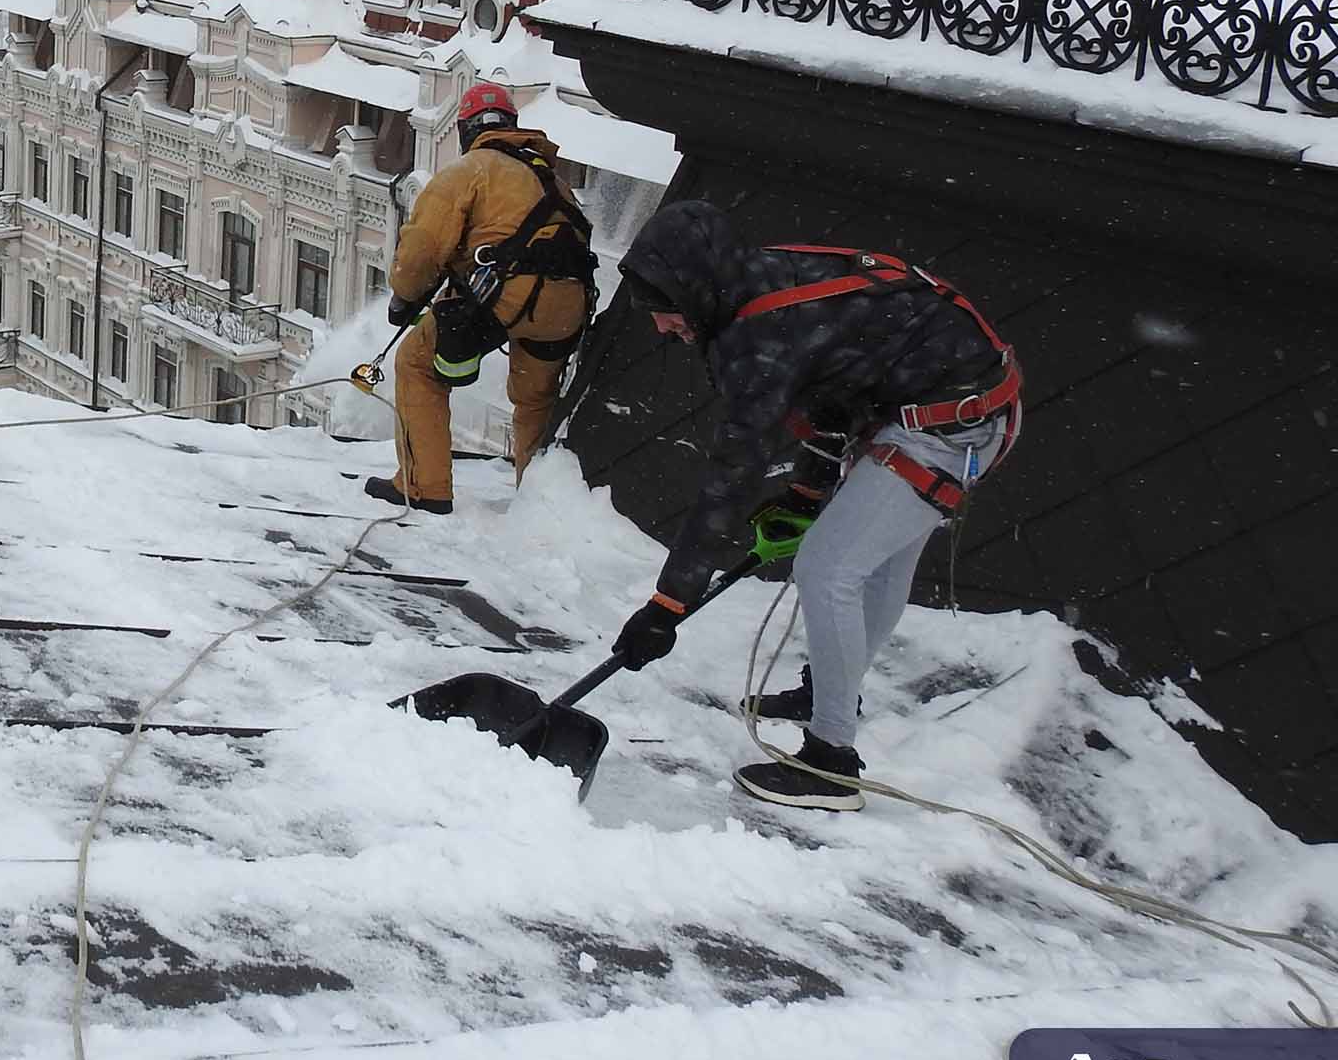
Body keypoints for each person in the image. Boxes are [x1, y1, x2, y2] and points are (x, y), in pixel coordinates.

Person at [606, 200, 1022, 811]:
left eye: (664, 312)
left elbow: (730, 479)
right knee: (871, 568)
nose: (661, 329)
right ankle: (829, 692)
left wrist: (666, 607)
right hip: (936, 401)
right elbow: (833, 380)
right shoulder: (758, 280)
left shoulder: (761, 336)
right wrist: (807, 490)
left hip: (951, 425)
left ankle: (831, 763)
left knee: (828, 569)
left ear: (695, 289)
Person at [364, 80, 595, 514]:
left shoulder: (470, 171)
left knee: (416, 363)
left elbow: (424, 245)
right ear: (512, 124)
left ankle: (424, 486)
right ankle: (536, 503)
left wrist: (404, 297)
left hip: (505, 292)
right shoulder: (554, 181)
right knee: (535, 402)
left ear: (467, 130)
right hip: (567, 305)